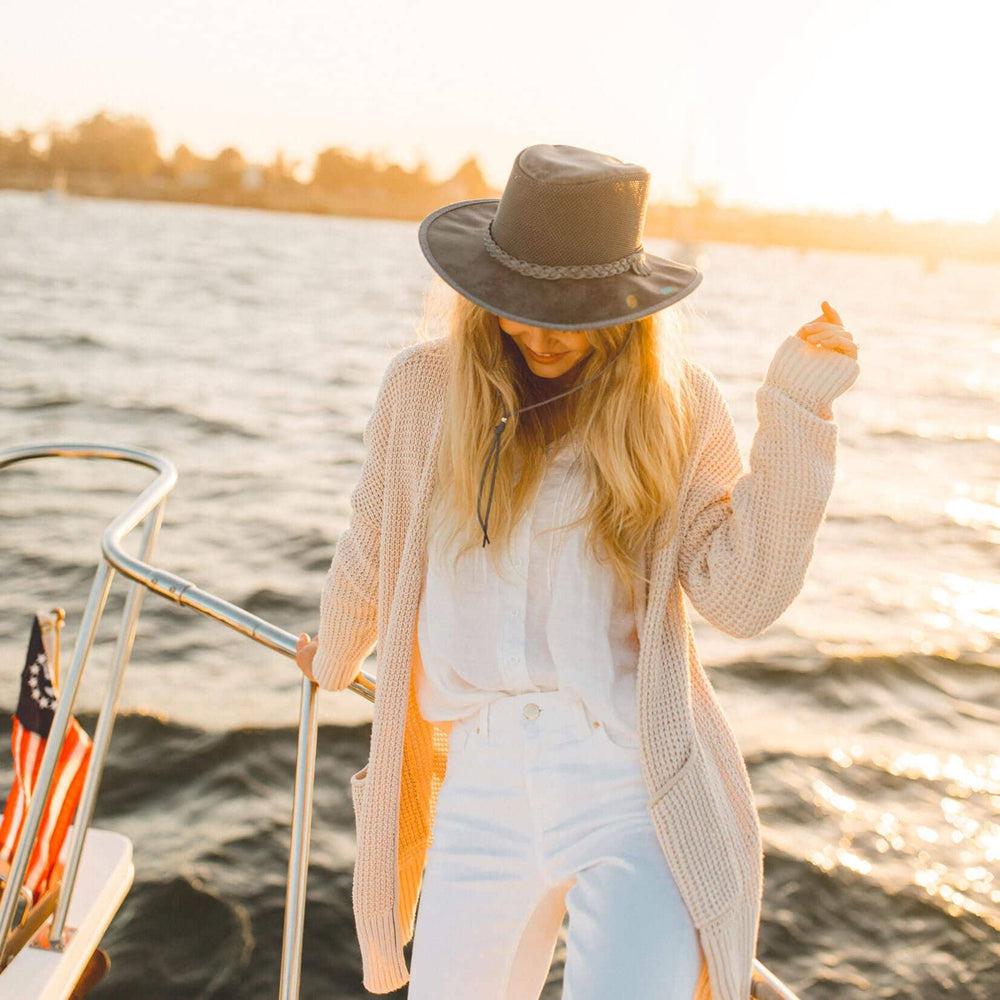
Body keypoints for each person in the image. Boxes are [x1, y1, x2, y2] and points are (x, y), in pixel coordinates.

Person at [295, 144, 860, 999]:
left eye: (575, 310)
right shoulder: (421, 390)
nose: (543, 334)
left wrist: (796, 407)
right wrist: (333, 657)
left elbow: (742, 596)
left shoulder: (676, 408)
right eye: (522, 306)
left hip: (630, 787)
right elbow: (373, 540)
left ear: (625, 306)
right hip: (479, 787)